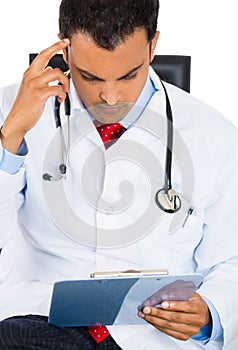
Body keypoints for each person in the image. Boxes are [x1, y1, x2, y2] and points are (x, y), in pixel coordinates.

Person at [0, 0, 237, 349]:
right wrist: (9, 140)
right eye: (90, 76)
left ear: (153, 45)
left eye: (128, 76)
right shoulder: (13, 114)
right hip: (37, 323)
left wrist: (210, 314)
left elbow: (230, 259)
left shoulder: (214, 134)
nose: (109, 97)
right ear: (64, 51)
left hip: (152, 337)